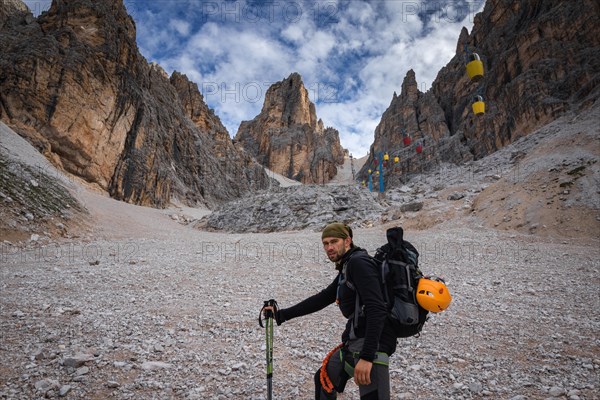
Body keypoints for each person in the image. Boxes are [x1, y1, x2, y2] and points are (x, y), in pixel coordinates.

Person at [263, 222, 396, 399]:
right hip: (355, 341)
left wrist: (367, 357)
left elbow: (377, 309)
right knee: (323, 379)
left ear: (347, 240)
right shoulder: (348, 265)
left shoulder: (359, 263)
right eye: (325, 243)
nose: (329, 247)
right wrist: (281, 315)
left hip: (373, 345)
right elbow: (324, 297)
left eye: (334, 241)